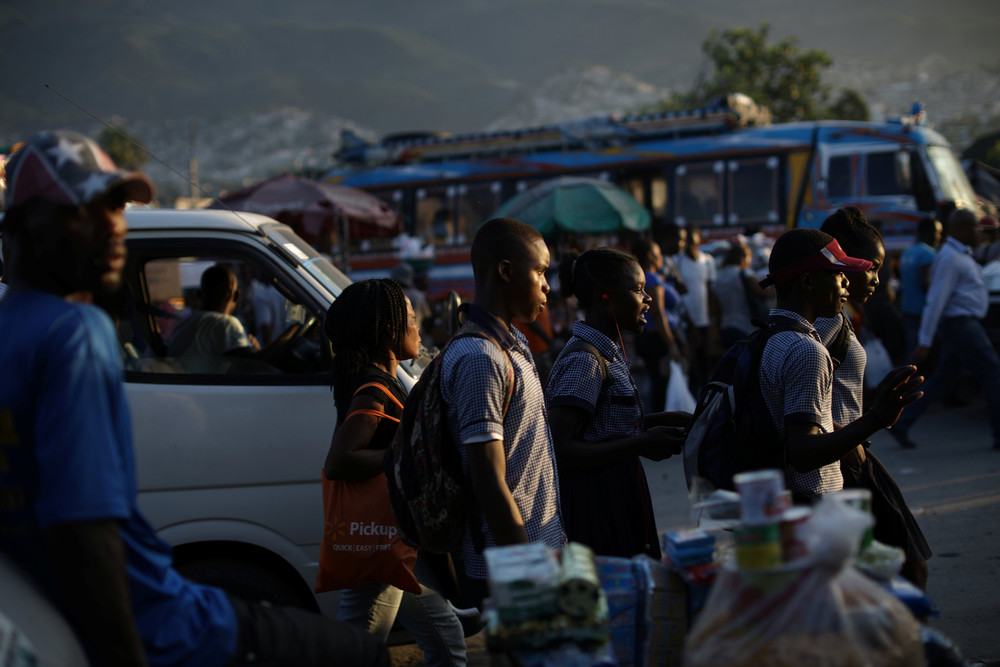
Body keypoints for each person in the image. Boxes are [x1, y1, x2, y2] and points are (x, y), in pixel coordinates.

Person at [0, 130, 388, 666]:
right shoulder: (74, 331)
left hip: (60, 620)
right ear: (20, 229)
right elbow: (85, 533)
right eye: (85, 210)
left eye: (116, 205)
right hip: (167, 622)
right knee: (362, 654)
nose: (113, 226)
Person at [323, 278, 467, 666]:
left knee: (447, 639)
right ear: (389, 330)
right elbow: (339, 460)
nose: (419, 326)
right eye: (413, 318)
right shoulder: (374, 387)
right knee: (358, 647)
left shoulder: (377, 380)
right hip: (379, 540)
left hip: (390, 538)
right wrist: (404, 453)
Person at [438, 217, 565, 609]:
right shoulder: (481, 359)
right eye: (541, 272)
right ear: (506, 271)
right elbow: (489, 483)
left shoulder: (511, 345)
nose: (547, 285)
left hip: (536, 547)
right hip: (508, 563)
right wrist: (529, 570)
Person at [756, 228, 923, 500]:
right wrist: (875, 419)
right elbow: (803, 452)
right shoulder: (806, 350)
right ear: (808, 283)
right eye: (837, 273)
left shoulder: (769, 338)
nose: (846, 281)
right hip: (813, 501)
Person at [814, 207, 932, 589]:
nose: (878, 279)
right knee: (906, 569)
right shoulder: (826, 322)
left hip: (853, 453)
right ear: (842, 262)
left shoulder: (838, 316)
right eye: (872, 267)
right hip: (844, 463)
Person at [546, 247, 687, 559]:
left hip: (619, 493)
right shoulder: (586, 359)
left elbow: (602, 427)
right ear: (603, 296)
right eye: (637, 290)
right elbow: (560, 448)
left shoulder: (609, 350)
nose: (648, 298)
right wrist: (641, 443)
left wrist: (660, 421)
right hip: (596, 503)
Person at [889, 209, 1000, 451]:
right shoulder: (950, 257)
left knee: (943, 378)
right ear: (961, 230)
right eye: (975, 227)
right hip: (961, 325)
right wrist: (925, 341)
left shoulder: (960, 255)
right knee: (994, 373)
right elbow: (936, 301)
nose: (980, 232)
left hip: (961, 324)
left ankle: (903, 421)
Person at [632, 238, 684, 413]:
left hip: (649, 336)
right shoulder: (653, 279)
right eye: (658, 253)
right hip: (658, 338)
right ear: (650, 256)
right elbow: (658, 313)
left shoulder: (644, 278)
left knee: (656, 383)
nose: (661, 257)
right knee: (661, 384)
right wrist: (671, 344)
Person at [167, 263, 261, 357]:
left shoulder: (183, 323)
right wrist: (255, 350)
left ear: (199, 295)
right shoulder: (226, 323)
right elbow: (250, 366)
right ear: (235, 296)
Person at [673, 224, 716, 394]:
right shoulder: (678, 261)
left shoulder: (708, 261)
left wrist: (713, 319)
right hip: (685, 321)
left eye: (692, 237)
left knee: (704, 360)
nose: (689, 242)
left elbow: (709, 290)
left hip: (703, 319)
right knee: (691, 364)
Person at [712, 238, 774, 348]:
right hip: (745, 328)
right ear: (743, 258)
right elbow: (765, 292)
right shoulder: (744, 273)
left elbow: (716, 310)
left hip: (725, 328)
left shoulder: (717, 279)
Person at [898, 216, 943, 363]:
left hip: (907, 308)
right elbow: (925, 283)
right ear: (929, 232)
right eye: (938, 233)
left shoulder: (908, 252)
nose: (939, 237)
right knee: (922, 353)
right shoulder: (928, 253)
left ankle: (906, 381)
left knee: (911, 349)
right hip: (922, 311)